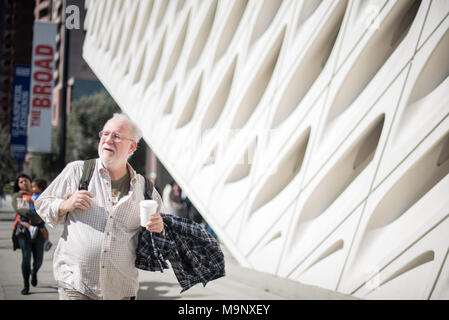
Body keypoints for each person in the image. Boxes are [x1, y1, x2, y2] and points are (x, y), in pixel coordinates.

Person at [35, 113, 165, 300]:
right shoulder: (78, 171)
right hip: (76, 284)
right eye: (105, 134)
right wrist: (66, 204)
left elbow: (167, 232)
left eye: (116, 136)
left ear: (132, 146)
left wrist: (160, 227)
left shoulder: (145, 189)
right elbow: (42, 203)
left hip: (121, 290)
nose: (108, 139)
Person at [11, 174, 45, 295]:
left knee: (39, 260)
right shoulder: (18, 196)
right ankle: (26, 285)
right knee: (26, 258)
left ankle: (34, 272)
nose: (24, 183)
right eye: (21, 182)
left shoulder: (41, 195)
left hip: (39, 232)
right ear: (18, 185)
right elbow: (23, 211)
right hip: (24, 231)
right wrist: (39, 218)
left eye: (26, 181)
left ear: (31, 182)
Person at [28, 178, 52, 251]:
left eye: (34, 187)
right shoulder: (34, 194)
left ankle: (47, 241)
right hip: (32, 213)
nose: (32, 189)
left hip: (38, 214)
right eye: (32, 187)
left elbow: (39, 205)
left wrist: (31, 202)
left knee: (42, 228)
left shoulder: (41, 196)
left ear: (40, 188)